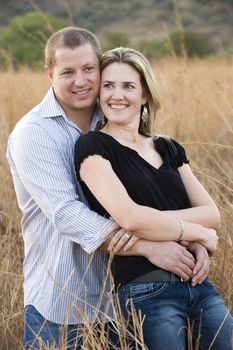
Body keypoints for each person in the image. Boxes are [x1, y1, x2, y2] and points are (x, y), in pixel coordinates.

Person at [6, 27, 209, 350]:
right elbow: (67, 214)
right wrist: (148, 246)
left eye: (89, 69)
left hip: (125, 301)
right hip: (61, 305)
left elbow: (153, 196)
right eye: (67, 72)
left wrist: (189, 239)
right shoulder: (34, 133)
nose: (81, 81)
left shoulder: (116, 115)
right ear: (49, 73)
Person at [74, 47, 233, 349]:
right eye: (108, 86)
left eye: (128, 86)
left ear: (145, 95)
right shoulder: (93, 146)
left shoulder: (168, 147)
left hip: (200, 286)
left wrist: (156, 223)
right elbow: (129, 217)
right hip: (145, 290)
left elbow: (213, 214)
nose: (116, 95)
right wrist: (197, 233)